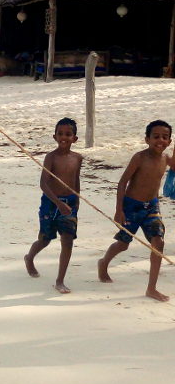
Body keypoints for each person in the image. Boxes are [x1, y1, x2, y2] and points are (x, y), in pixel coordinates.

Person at [98, 119, 172, 301]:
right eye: (156, 137)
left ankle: (151, 288)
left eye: (165, 137)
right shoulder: (139, 157)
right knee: (123, 244)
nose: (160, 140)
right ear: (147, 139)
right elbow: (123, 182)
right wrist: (119, 209)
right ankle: (104, 262)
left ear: (170, 141)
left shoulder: (166, 158)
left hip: (152, 207)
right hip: (131, 206)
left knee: (158, 242)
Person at [24, 118, 82, 293]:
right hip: (50, 203)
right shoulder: (51, 157)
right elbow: (43, 183)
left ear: (75, 138)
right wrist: (58, 203)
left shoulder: (78, 158)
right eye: (60, 134)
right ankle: (29, 257)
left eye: (68, 134)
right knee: (45, 239)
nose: (64, 137)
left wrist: (77, 199)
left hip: (70, 203)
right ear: (54, 136)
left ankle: (60, 280)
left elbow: (76, 180)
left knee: (68, 240)